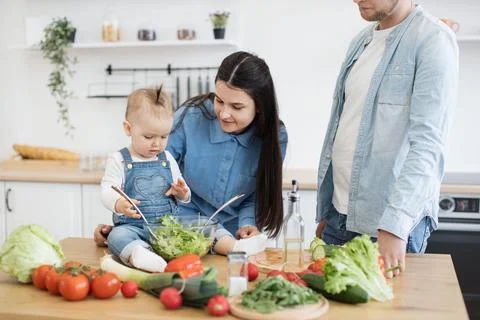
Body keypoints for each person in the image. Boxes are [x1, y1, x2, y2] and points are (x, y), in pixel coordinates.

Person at [315, 0, 458, 279]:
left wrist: (395, 226)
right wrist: (326, 210)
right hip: (338, 217)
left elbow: (428, 145)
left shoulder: (433, 40)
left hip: (388, 227)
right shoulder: (361, 41)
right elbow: (342, 127)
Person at [95, 51, 288, 255]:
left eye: (237, 106)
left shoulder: (274, 138)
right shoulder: (192, 116)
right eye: (219, 101)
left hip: (230, 237)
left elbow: (257, 193)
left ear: (259, 107)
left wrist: (248, 223)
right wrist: (124, 229)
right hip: (178, 227)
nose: (224, 113)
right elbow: (151, 174)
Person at [101, 86, 191, 272]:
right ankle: (138, 253)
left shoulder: (167, 159)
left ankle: (156, 254)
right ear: (128, 128)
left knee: (188, 233)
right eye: (149, 136)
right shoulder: (118, 159)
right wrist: (118, 203)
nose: (157, 143)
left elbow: (185, 194)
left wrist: (183, 193)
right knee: (116, 236)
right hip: (132, 229)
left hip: (165, 230)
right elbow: (107, 189)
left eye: (164, 136)